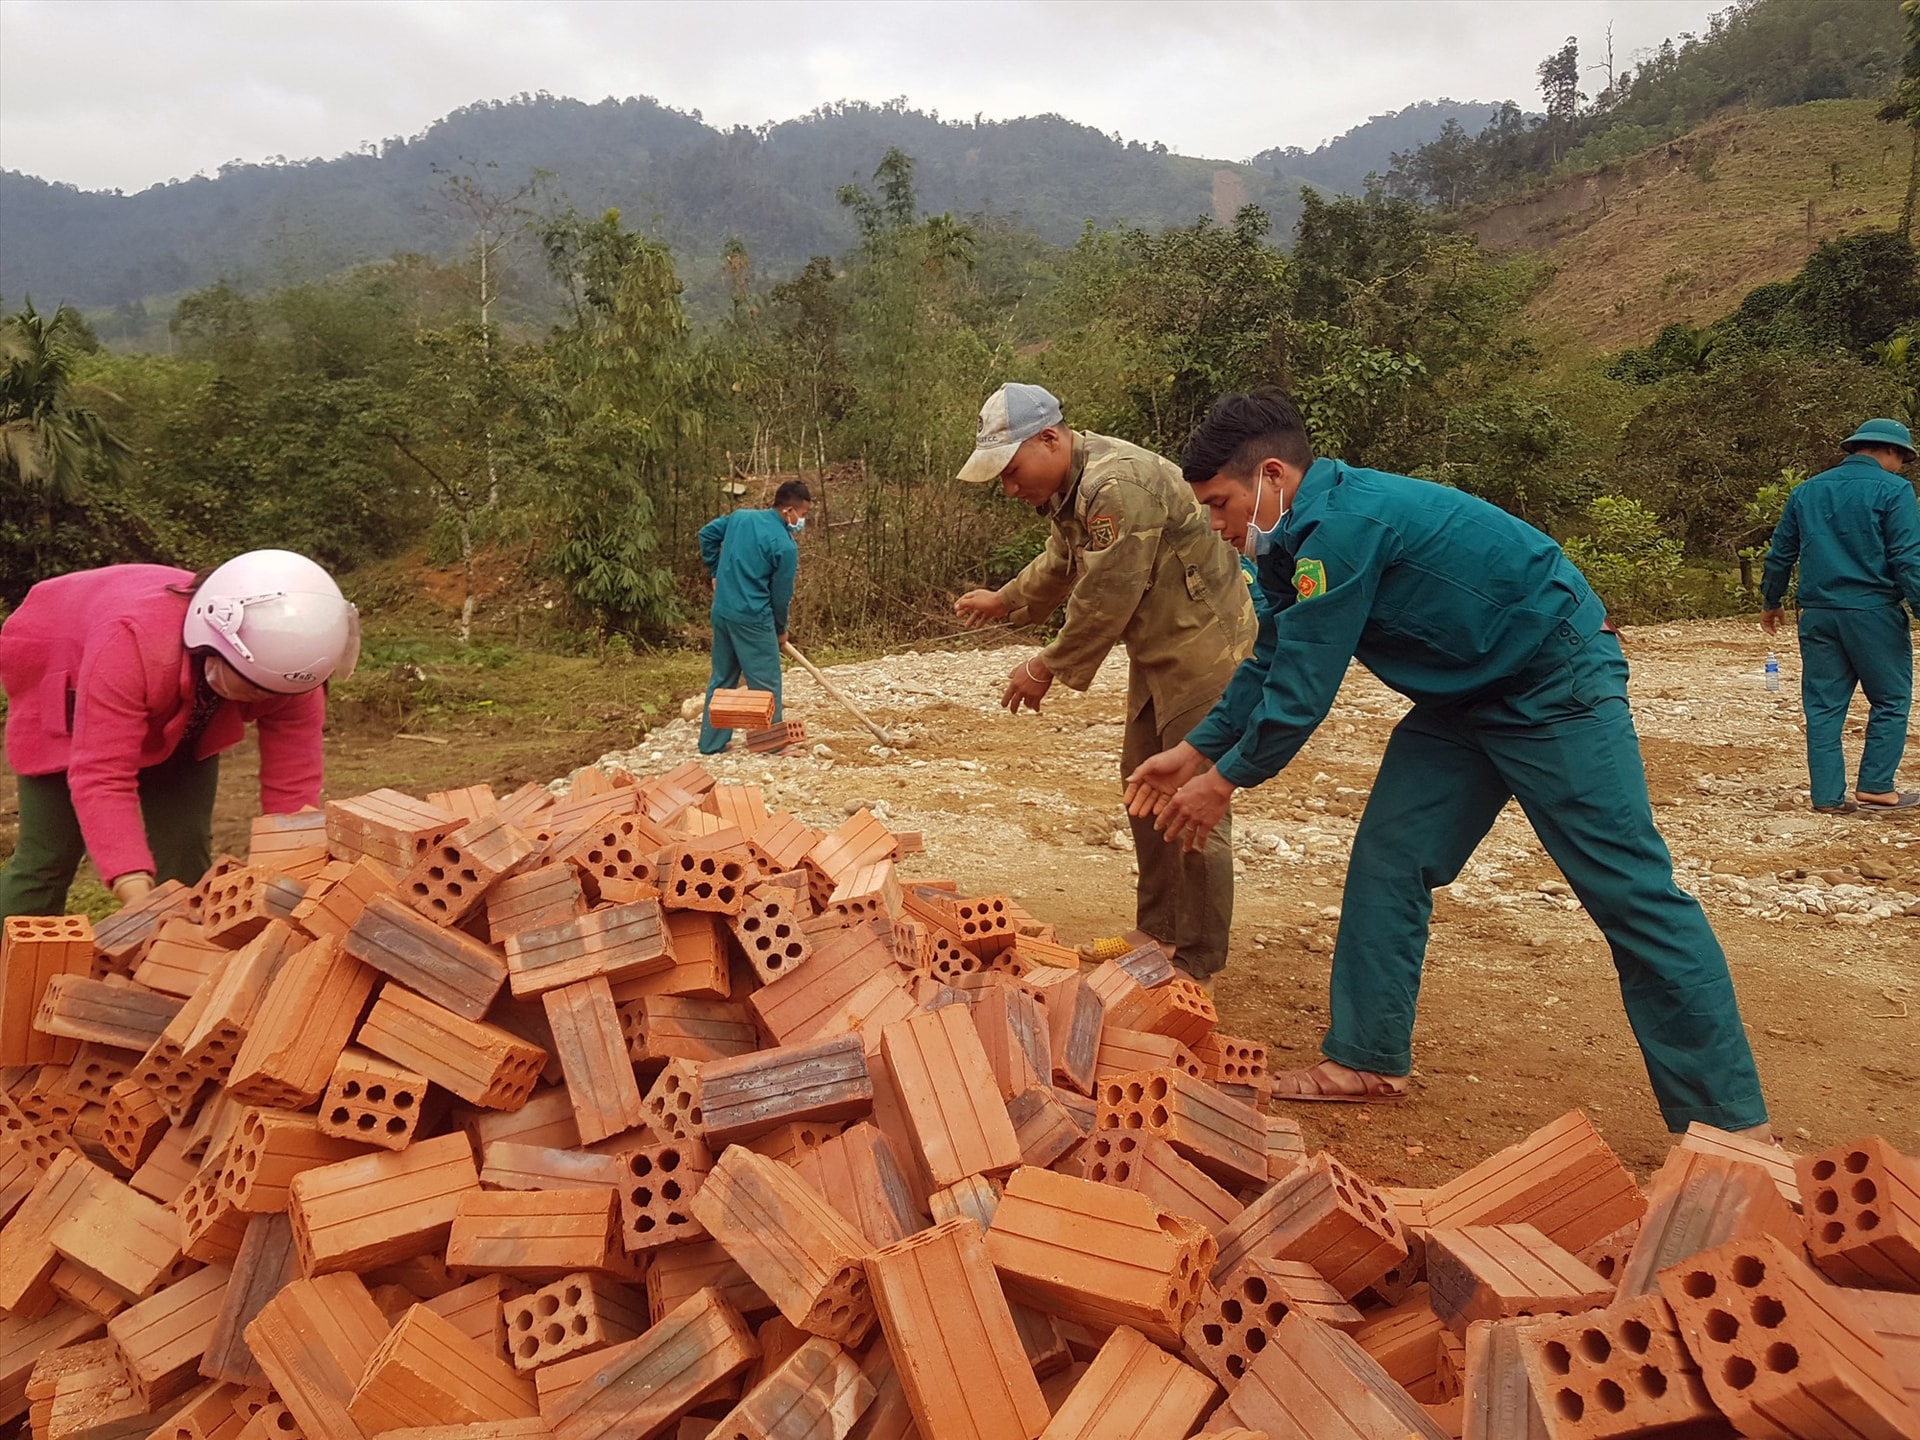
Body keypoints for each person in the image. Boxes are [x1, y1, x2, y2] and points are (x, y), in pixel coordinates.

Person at [1126, 387, 1768, 1136]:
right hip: (1463, 698)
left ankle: (1730, 1124)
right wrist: (1196, 748)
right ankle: (1366, 1059)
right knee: (1392, 859)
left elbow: (1302, 693)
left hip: (1553, 683)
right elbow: (1272, 656)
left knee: (1630, 891)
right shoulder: (1290, 547)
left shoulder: (1345, 528)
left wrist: (1224, 781)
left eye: (1218, 502)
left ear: (1271, 476)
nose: (1214, 523)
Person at [953, 383, 1255, 982]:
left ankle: (1194, 960)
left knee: (1192, 801)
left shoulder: (1117, 486)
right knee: (1144, 784)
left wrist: (1044, 667)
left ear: (1049, 438)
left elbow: (1105, 595)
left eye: (1012, 472)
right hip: (1160, 648)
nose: (1011, 490)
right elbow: (1065, 559)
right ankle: (1159, 930)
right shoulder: (1078, 485)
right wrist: (1007, 600)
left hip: (1204, 648)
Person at [0, 550, 359, 920]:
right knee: (49, 858)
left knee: (185, 850)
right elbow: (101, 774)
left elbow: (293, 790)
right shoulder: (130, 642)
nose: (267, 698)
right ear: (213, 643)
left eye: (276, 691)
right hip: (72, 682)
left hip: (186, 718)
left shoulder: (297, 671)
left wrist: (293, 879)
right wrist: (135, 892)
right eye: (255, 686)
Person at [1759, 417, 1920, 814]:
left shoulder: (1807, 491)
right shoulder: (1895, 490)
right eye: (1903, 457)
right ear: (1891, 451)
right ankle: (1877, 787)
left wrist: (1771, 600)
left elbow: (1781, 553)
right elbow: (1906, 558)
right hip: (1873, 613)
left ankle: (1827, 796)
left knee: (1824, 705)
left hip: (1817, 614)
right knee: (1890, 699)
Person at [697, 480, 810, 754]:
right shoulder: (784, 546)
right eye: (802, 514)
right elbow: (780, 596)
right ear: (788, 511)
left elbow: (706, 535)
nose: (802, 520)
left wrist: (715, 571)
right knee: (766, 680)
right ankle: (772, 745)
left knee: (723, 677)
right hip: (753, 617)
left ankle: (711, 744)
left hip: (722, 611)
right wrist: (780, 630)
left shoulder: (740, 518)